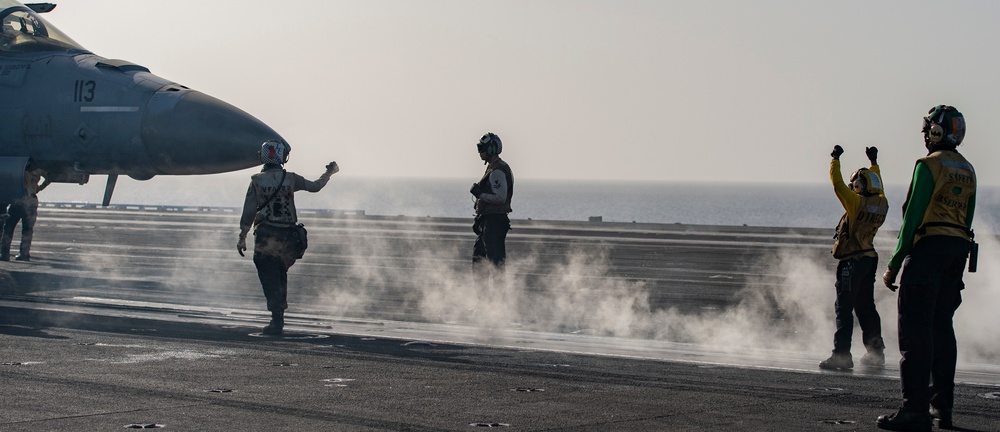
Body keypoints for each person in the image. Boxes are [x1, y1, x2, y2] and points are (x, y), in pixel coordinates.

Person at [877, 105, 976, 432]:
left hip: (928, 253)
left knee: (915, 334)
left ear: (938, 132)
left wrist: (893, 265)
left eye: (927, 129)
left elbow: (911, 222)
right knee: (942, 330)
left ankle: (914, 410)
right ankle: (941, 410)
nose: (924, 135)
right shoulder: (967, 169)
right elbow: (968, 220)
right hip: (956, 253)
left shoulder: (928, 166)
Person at [237, 140, 338, 335]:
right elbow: (315, 186)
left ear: (263, 157)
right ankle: (278, 319)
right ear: (282, 157)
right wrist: (329, 173)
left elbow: (248, 212)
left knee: (269, 276)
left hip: (266, 235)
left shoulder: (257, 181)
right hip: (288, 236)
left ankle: (276, 321)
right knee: (280, 274)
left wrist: (242, 236)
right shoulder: (290, 178)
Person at [820, 145, 889, 370]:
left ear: (859, 186)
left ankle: (841, 355)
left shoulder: (856, 203)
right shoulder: (881, 203)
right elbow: (879, 185)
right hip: (870, 259)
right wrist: (874, 162)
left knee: (844, 308)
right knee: (866, 307)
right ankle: (876, 353)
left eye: (855, 185)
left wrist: (835, 159)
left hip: (852, 260)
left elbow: (837, 185)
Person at [469, 132, 514, 288]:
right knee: (479, 261)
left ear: (491, 149)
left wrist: (480, 194)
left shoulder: (497, 171)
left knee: (494, 264)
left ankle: (496, 304)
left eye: (482, 148)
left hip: (494, 221)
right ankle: (485, 303)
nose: (480, 151)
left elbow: (500, 197)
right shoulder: (493, 168)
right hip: (489, 221)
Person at [1, 162, 51, 261]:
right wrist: (39, 188)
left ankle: (5, 253)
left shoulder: (18, 167)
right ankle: (24, 253)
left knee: (9, 227)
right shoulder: (38, 167)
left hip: (19, 198)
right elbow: (49, 177)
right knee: (27, 229)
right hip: (31, 198)